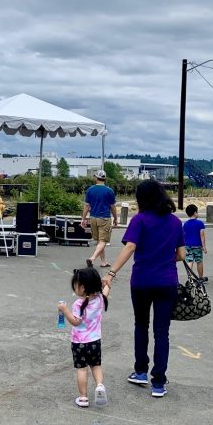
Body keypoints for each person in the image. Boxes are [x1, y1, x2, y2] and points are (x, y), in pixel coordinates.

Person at [101, 180, 185, 398]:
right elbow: (181, 255)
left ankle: (140, 371)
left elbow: (130, 247)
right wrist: (164, 258)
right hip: (167, 281)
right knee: (162, 332)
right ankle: (159, 382)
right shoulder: (176, 222)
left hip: (142, 281)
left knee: (141, 325)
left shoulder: (140, 220)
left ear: (142, 198)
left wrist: (111, 273)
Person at [58, 267, 110, 408]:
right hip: (95, 341)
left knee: (82, 370)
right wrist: (107, 285)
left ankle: (83, 398)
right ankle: (99, 385)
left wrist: (64, 310)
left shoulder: (79, 304)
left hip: (79, 342)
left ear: (82, 287)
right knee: (96, 365)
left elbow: (75, 321)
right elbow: (105, 291)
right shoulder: (100, 299)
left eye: (76, 285)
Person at [81, 170, 118, 268]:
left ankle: (103, 261)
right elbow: (112, 206)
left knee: (99, 241)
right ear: (105, 179)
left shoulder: (90, 190)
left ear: (96, 178)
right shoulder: (109, 191)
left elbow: (86, 206)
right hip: (104, 218)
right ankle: (92, 258)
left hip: (93, 217)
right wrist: (115, 218)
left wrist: (83, 219)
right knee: (103, 241)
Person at [183, 204, 208, 281]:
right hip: (197, 245)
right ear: (194, 213)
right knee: (199, 261)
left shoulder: (185, 224)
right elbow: (202, 235)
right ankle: (200, 278)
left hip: (188, 245)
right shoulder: (200, 223)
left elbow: (183, 235)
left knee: (190, 261)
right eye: (197, 212)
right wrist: (204, 247)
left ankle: (190, 277)